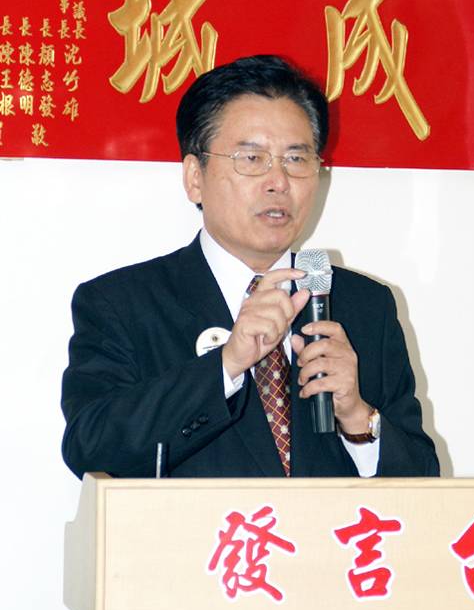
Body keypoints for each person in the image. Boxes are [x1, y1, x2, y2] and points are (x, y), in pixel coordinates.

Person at [62, 55, 439, 480]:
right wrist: (225, 366)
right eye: (252, 158)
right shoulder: (121, 304)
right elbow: (90, 449)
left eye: (296, 160)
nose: (278, 182)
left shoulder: (364, 306)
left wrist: (356, 417)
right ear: (195, 177)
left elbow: (425, 483)